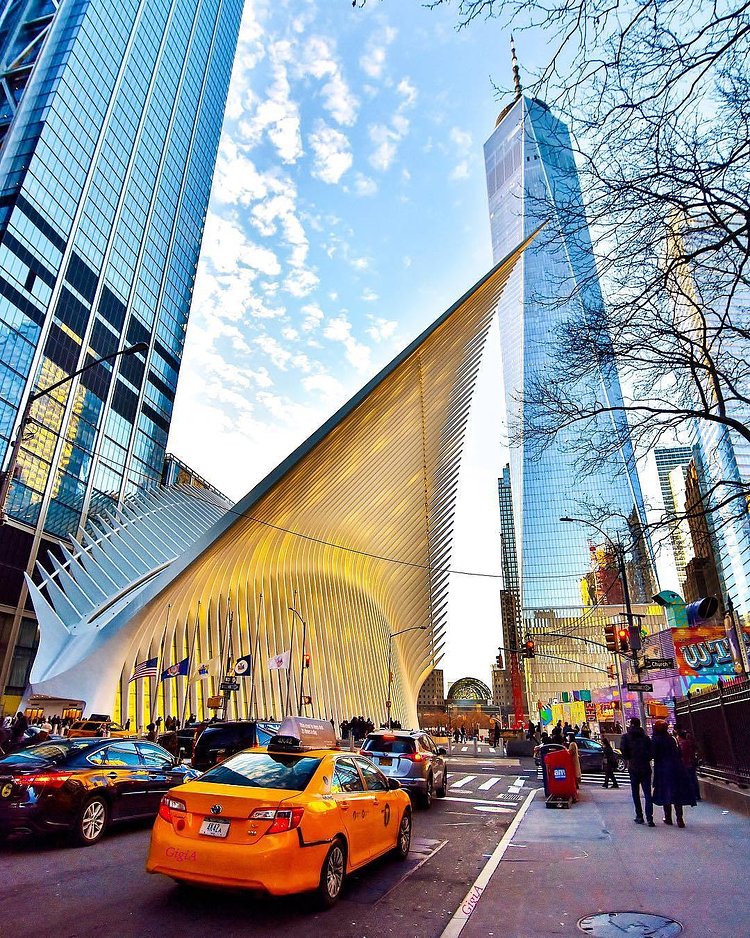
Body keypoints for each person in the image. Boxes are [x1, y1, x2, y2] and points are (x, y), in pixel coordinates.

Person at [652, 721, 696, 827]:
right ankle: (679, 819)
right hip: (677, 768)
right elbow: (679, 752)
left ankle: (668, 817)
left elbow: (653, 754)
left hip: (663, 769)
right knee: (677, 794)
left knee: (665, 793)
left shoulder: (656, 740)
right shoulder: (672, 739)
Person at [619, 717, 654, 826]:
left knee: (635, 793)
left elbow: (623, 751)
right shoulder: (646, 738)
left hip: (633, 767)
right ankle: (650, 818)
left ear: (631, 725)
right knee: (648, 793)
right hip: (645, 767)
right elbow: (651, 752)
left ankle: (639, 816)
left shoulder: (626, 737)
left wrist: (629, 758)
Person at [676, 728, 701, 802]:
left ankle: (692, 795)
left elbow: (681, 755)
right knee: (693, 779)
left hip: (686, 764)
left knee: (689, 780)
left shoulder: (682, 744)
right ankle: (697, 794)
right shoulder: (689, 742)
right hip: (691, 763)